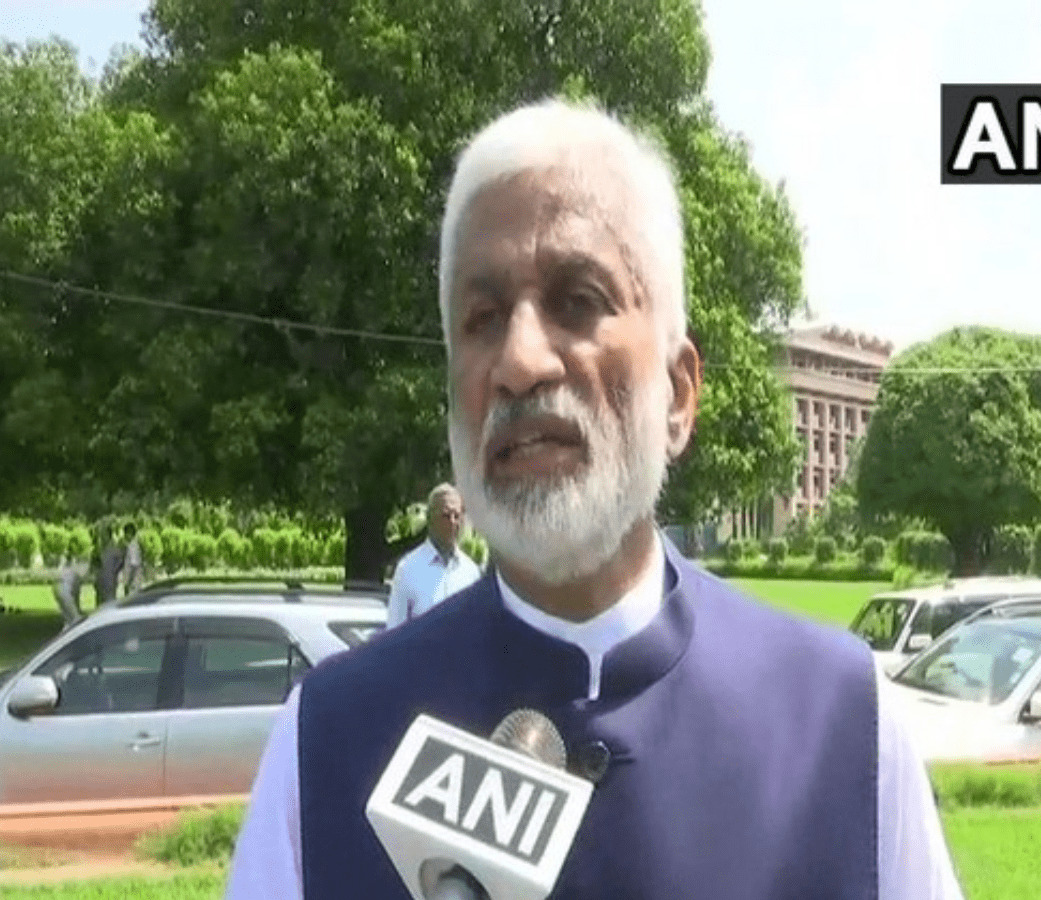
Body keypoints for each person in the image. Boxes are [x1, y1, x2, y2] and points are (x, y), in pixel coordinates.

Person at [225, 100, 964, 899]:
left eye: (577, 300)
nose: (519, 361)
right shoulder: (328, 742)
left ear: (678, 396)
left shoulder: (844, 727)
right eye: (482, 318)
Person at [386, 484, 482, 628]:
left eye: (457, 516)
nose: (452, 522)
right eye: (446, 515)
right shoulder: (408, 569)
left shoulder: (471, 572)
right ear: (430, 518)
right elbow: (395, 630)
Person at [94, 525, 124, 607]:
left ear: (109, 535)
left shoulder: (114, 548)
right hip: (101, 580)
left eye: (104, 535)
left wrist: (114, 571)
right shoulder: (100, 548)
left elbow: (121, 561)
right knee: (100, 604)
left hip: (110, 580)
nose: (102, 537)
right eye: (101, 535)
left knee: (109, 602)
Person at [120, 522, 144, 597]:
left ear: (131, 533)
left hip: (133, 581)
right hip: (131, 580)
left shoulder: (133, 546)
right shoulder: (130, 545)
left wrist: (129, 583)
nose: (125, 536)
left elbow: (134, 566)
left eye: (126, 533)